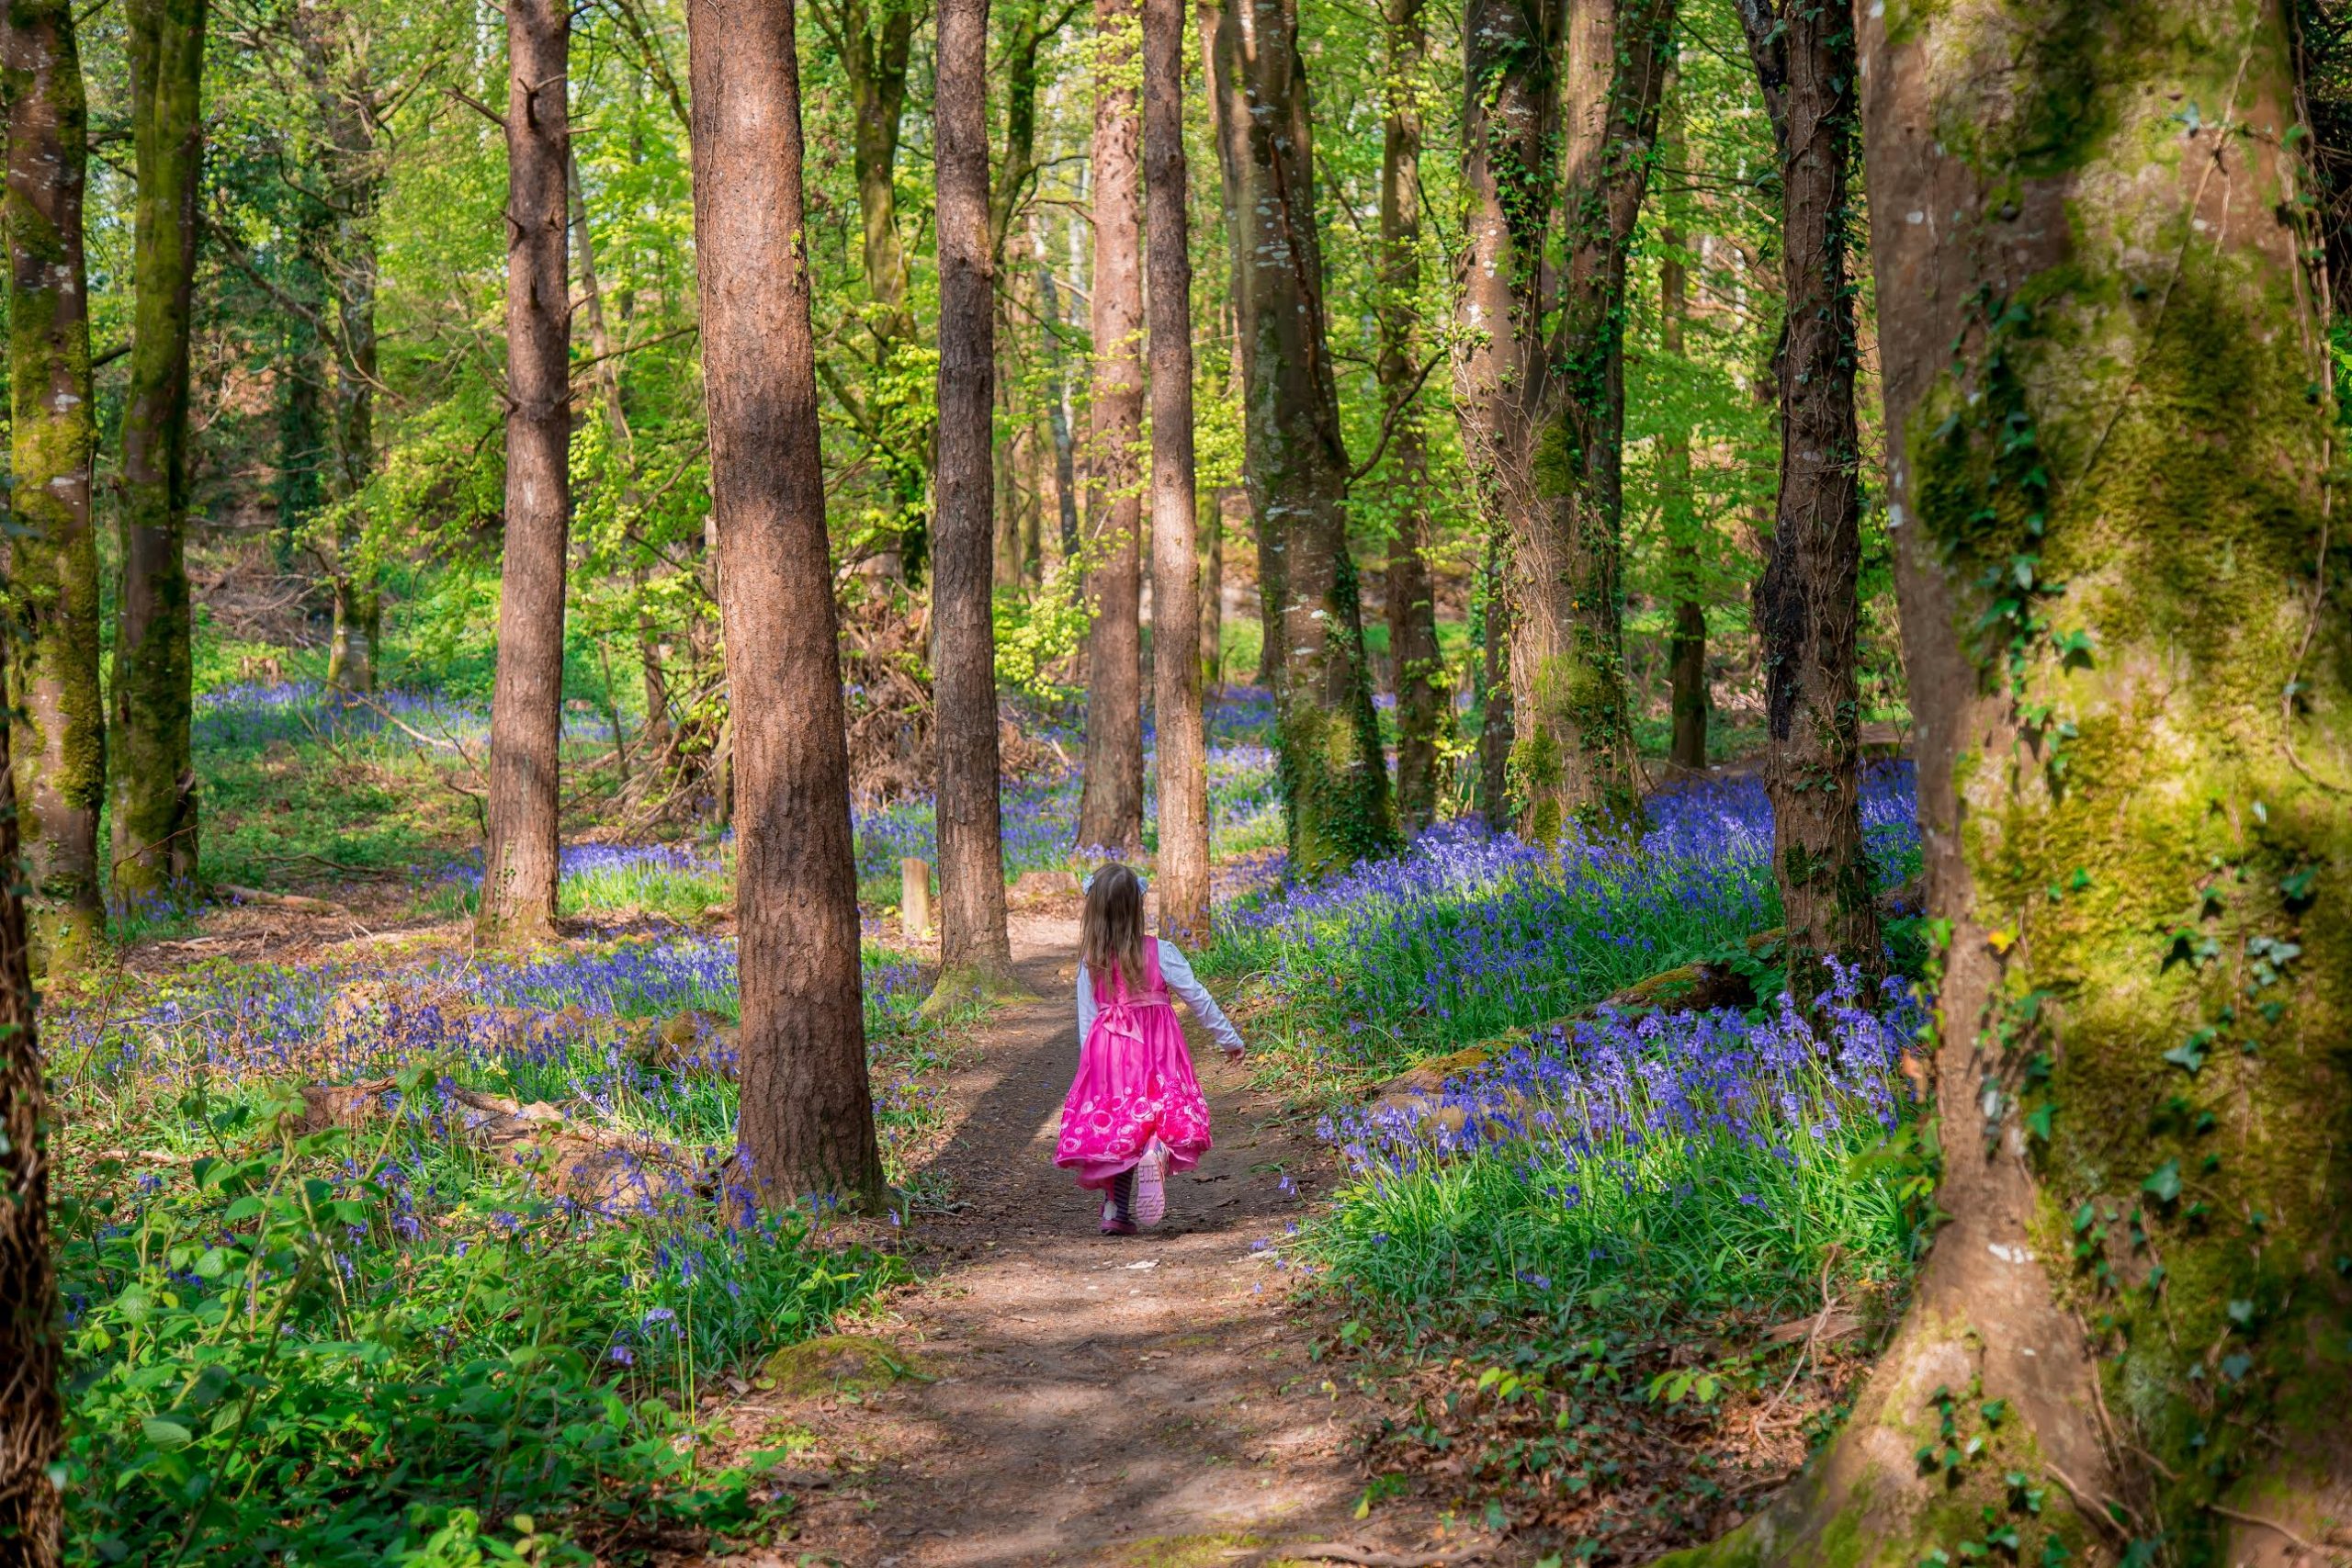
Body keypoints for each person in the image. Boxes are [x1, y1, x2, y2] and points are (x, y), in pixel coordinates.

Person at [1055, 863, 1246, 1235]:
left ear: (1093, 910)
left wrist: (1090, 1070)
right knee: (1156, 1114)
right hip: (1159, 1052)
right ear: (1137, 908)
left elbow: (1086, 1021)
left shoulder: (1090, 963)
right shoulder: (1161, 952)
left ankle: (1114, 1210)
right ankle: (1155, 1150)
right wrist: (1228, 1038)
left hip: (1110, 1056)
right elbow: (1198, 997)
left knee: (1118, 1130)